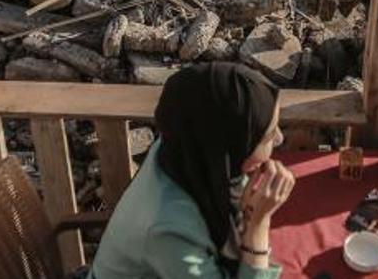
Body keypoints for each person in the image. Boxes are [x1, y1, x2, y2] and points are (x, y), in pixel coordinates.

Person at [88, 63, 293, 278]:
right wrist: (258, 227)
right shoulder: (168, 229)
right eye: (269, 135)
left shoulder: (182, 150)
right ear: (228, 148)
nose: (280, 139)